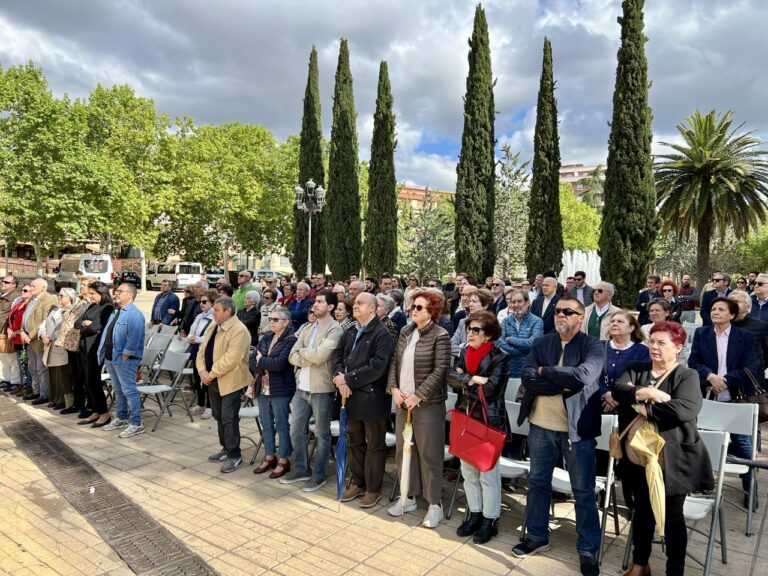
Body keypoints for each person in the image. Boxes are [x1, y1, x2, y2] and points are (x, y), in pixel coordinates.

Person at [612, 322, 714, 576]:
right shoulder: (637, 369)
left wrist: (642, 406)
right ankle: (640, 564)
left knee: (672, 517)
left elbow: (683, 409)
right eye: (651, 341)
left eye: (661, 343)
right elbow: (618, 389)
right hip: (637, 456)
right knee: (642, 511)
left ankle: (674, 571)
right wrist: (645, 391)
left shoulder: (687, 376)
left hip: (672, 460)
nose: (654, 347)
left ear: (678, 348)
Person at [513, 297, 604, 576]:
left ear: (580, 317)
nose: (560, 315)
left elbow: (582, 377)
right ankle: (537, 536)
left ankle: (588, 548)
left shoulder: (594, 346)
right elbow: (528, 377)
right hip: (540, 424)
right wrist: (557, 382)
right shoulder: (542, 343)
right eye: (557, 311)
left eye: (568, 311)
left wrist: (545, 372)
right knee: (538, 482)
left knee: (583, 491)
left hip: (576, 430)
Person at [386, 290, 450, 524]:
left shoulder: (440, 335)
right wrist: (393, 388)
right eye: (413, 306)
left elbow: (441, 369)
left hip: (428, 406)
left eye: (420, 307)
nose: (414, 310)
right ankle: (407, 497)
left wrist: (419, 395)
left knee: (430, 455)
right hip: (403, 403)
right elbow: (395, 362)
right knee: (404, 451)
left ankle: (435, 504)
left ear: (432, 311)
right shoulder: (405, 331)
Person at [687, 297, 759, 506]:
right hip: (708, 395)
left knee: (743, 443)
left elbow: (750, 367)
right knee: (704, 440)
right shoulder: (702, 333)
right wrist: (710, 377)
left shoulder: (744, 336)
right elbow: (694, 362)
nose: (715, 312)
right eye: (713, 309)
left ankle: (750, 487)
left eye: (721, 309)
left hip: (735, 396)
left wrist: (725, 381)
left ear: (732, 315)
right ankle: (702, 483)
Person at [448, 311, 509, 543]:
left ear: (489, 335)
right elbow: (451, 377)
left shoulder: (501, 357)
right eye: (469, 329)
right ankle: (474, 513)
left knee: (487, 474)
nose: (470, 334)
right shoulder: (464, 352)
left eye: (476, 330)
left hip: (488, 421)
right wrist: (473, 379)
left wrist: (466, 379)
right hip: (465, 417)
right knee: (468, 472)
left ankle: (490, 519)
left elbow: (493, 390)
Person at [332, 292, 395, 508]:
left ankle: (373, 489)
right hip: (349, 395)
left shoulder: (382, 333)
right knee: (354, 441)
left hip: (372, 399)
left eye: (360, 303)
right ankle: (357, 482)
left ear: (373, 308)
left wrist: (347, 379)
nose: (355, 306)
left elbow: (378, 366)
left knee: (374, 445)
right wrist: (339, 380)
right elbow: (337, 357)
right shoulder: (350, 330)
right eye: (355, 303)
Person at [283, 290, 344, 490]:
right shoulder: (308, 327)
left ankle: (319, 473)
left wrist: (303, 355)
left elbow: (320, 357)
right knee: (295, 430)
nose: (314, 305)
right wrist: (306, 355)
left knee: (321, 433)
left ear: (331, 306)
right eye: (315, 301)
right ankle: (301, 468)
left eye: (319, 301)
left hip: (322, 389)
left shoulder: (335, 330)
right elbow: (291, 355)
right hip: (301, 387)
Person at [196, 296, 252, 473]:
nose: (213, 313)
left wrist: (210, 374)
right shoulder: (214, 326)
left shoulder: (239, 330)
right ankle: (225, 448)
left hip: (230, 381)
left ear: (228, 311)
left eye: (217, 310)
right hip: (212, 379)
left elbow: (231, 359)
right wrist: (202, 371)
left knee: (229, 417)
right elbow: (202, 351)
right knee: (218, 415)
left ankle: (235, 455)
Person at [248, 306, 297, 479]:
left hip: (281, 389)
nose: (271, 322)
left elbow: (280, 364)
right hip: (263, 386)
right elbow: (252, 360)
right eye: (270, 319)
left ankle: (284, 459)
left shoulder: (291, 339)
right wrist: (263, 363)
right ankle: (270, 456)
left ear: (286, 322)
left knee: (281, 425)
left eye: (275, 319)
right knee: (266, 424)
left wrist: (263, 361)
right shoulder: (267, 337)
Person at [97, 283, 146, 437]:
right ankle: (121, 417)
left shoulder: (134, 314)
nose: (116, 293)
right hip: (111, 357)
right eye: (116, 290)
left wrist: (126, 354)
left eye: (120, 291)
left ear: (130, 295)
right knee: (118, 390)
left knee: (129, 391)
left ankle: (136, 423)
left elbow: (134, 336)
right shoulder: (116, 311)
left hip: (125, 360)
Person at [74, 282, 114, 426]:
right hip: (84, 347)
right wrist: (85, 324)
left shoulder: (107, 308)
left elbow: (97, 327)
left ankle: (104, 413)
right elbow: (77, 322)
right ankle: (96, 410)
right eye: (89, 293)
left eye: (92, 294)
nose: (89, 296)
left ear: (102, 293)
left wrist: (86, 326)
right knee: (87, 381)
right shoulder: (92, 306)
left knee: (94, 381)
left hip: (95, 349)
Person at [55, 278, 94, 414]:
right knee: (75, 375)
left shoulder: (89, 303)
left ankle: (87, 405)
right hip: (70, 344)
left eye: (84, 285)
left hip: (79, 344)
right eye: (81, 284)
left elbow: (80, 322)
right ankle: (77, 403)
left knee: (82, 375)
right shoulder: (80, 301)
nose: (81, 287)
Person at [599, 311, 650, 413]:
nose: (614, 323)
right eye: (612, 321)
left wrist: (620, 397)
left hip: (629, 408)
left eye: (620, 321)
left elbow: (645, 379)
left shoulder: (643, 351)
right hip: (597, 405)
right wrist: (604, 392)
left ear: (631, 328)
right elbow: (590, 375)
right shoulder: (598, 346)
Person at [21, 278, 57, 404]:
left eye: (34, 286)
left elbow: (44, 321)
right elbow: (25, 316)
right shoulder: (32, 299)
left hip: (38, 339)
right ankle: (36, 391)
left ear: (43, 287)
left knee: (41, 368)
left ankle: (44, 394)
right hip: (28, 339)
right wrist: (22, 331)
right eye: (31, 285)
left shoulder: (48, 299)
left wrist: (30, 335)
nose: (31, 288)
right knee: (32, 367)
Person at [40, 288, 76, 411]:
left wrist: (51, 337)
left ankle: (65, 401)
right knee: (53, 373)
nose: (59, 298)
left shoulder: (72, 311)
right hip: (49, 345)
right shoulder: (55, 309)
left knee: (63, 374)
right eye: (58, 295)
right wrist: (43, 335)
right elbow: (43, 324)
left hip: (61, 346)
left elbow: (65, 328)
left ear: (70, 297)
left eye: (62, 296)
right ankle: (55, 399)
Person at [499, 289, 544, 380]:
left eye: (519, 301)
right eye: (513, 302)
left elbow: (533, 343)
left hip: (528, 368)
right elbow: (500, 342)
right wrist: (519, 352)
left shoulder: (536, 321)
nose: (516, 305)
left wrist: (510, 339)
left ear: (527, 302)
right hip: (508, 367)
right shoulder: (506, 321)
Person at [187, 289, 217, 419]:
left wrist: (196, 339)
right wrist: (190, 337)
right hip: (197, 351)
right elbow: (192, 330)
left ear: (212, 303)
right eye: (200, 301)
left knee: (208, 379)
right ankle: (200, 403)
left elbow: (211, 337)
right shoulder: (199, 316)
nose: (201, 304)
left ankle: (210, 407)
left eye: (205, 302)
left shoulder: (214, 318)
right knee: (197, 377)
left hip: (208, 351)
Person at [729, 290, 768, 386]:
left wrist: (757, 366)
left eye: (736, 302)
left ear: (748, 307)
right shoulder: (721, 325)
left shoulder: (761, 326)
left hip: (752, 379)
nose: (731, 305)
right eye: (729, 302)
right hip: (724, 378)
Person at [7, 284, 33, 397]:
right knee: (20, 364)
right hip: (15, 339)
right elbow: (11, 318)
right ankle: (23, 385)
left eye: (25, 290)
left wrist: (16, 332)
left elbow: (26, 323)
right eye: (22, 290)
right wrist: (9, 330)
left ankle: (28, 386)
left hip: (23, 339)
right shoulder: (18, 304)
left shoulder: (30, 305)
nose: (22, 292)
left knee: (25, 364)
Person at [451, 287, 492, 356]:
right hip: (462, 364)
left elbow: (488, 350)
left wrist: (463, 346)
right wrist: (465, 352)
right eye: (470, 301)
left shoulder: (492, 325)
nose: (470, 304)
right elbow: (451, 345)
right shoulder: (463, 322)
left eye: (474, 301)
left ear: (485, 305)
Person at [0, 275, 20, 391]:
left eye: (6, 282)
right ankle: (6, 380)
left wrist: (9, 329)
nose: (3, 283)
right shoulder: (3, 295)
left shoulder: (15, 297)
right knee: (3, 356)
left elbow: (11, 315)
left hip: (7, 330)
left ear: (13, 285)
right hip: (1, 329)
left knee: (11, 356)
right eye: (2, 281)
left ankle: (15, 381)